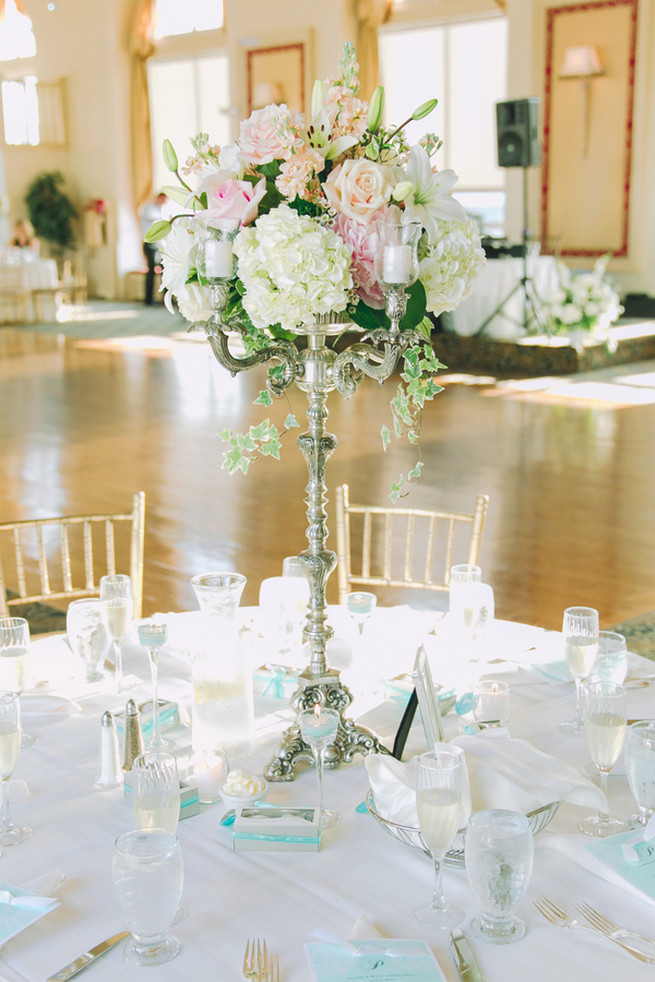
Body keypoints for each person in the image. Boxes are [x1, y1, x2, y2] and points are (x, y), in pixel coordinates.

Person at [140, 192, 167, 305]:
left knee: (164, 270)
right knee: (150, 271)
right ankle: (148, 299)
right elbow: (154, 221)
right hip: (150, 244)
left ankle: (165, 298)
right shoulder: (149, 207)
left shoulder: (160, 209)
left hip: (159, 244)